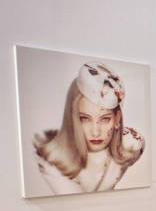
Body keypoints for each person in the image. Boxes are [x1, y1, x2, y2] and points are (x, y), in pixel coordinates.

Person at [34, 62, 145, 195]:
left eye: (105, 119)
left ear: (117, 119)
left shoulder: (132, 144)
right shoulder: (52, 162)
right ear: (72, 119)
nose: (95, 132)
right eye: (84, 119)